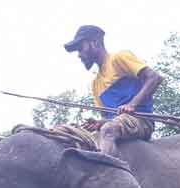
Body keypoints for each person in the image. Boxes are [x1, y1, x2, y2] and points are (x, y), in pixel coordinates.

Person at [63, 25, 162, 157]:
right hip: (116, 125)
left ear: (95, 42)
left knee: (108, 129)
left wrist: (132, 104)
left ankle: (109, 175)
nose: (79, 55)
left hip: (140, 121)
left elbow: (154, 78)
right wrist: (98, 123)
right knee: (69, 133)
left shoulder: (119, 58)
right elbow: (107, 118)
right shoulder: (95, 84)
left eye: (81, 48)